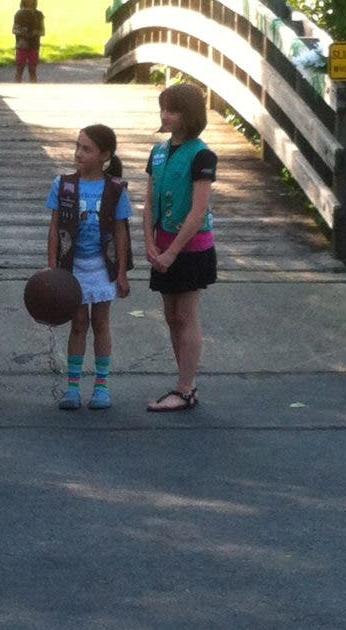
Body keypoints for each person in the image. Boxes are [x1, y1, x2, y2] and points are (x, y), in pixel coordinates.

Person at [142, 83, 218, 413]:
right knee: (171, 316)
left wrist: (172, 251)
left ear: (189, 115)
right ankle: (182, 382)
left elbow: (198, 211)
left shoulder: (202, 155)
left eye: (172, 109)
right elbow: (148, 200)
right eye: (163, 108)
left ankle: (186, 388)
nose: (165, 114)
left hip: (190, 248)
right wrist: (148, 242)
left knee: (186, 315)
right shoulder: (158, 152)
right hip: (160, 245)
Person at [46, 124, 133, 410]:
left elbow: (121, 231)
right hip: (73, 267)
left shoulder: (115, 189)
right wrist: (52, 269)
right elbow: (55, 227)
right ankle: (72, 387)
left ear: (104, 155)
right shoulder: (64, 185)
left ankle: (101, 386)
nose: (78, 153)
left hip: (102, 267)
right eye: (77, 146)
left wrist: (121, 272)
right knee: (78, 323)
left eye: (86, 149)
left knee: (101, 323)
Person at [12, 0, 45, 83]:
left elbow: (42, 31)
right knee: (19, 69)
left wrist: (35, 32)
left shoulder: (39, 15)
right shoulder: (19, 14)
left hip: (34, 45)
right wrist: (21, 32)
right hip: (22, 45)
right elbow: (14, 29)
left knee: (32, 69)